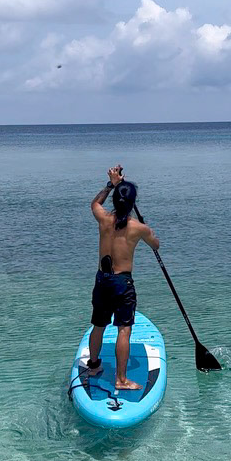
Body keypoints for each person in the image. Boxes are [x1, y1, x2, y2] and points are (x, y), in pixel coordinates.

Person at [87, 165, 159, 390]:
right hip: (121, 283)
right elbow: (156, 244)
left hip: (102, 280)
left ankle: (94, 365)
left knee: (98, 325)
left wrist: (111, 185)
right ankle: (121, 379)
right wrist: (148, 230)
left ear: (115, 200)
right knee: (124, 330)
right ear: (131, 203)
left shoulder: (104, 220)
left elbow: (95, 203)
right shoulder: (138, 228)